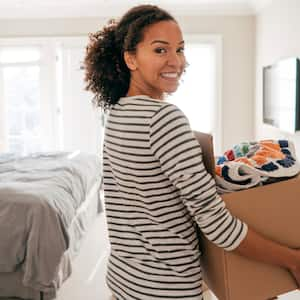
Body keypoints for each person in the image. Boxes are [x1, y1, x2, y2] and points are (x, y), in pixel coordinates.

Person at [83, 5, 300, 300]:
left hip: (125, 281)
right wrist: (292, 259)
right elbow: (216, 224)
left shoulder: (117, 113)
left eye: (180, 49)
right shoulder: (163, 118)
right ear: (130, 58)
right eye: (160, 50)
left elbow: (149, 199)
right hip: (165, 290)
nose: (176, 61)